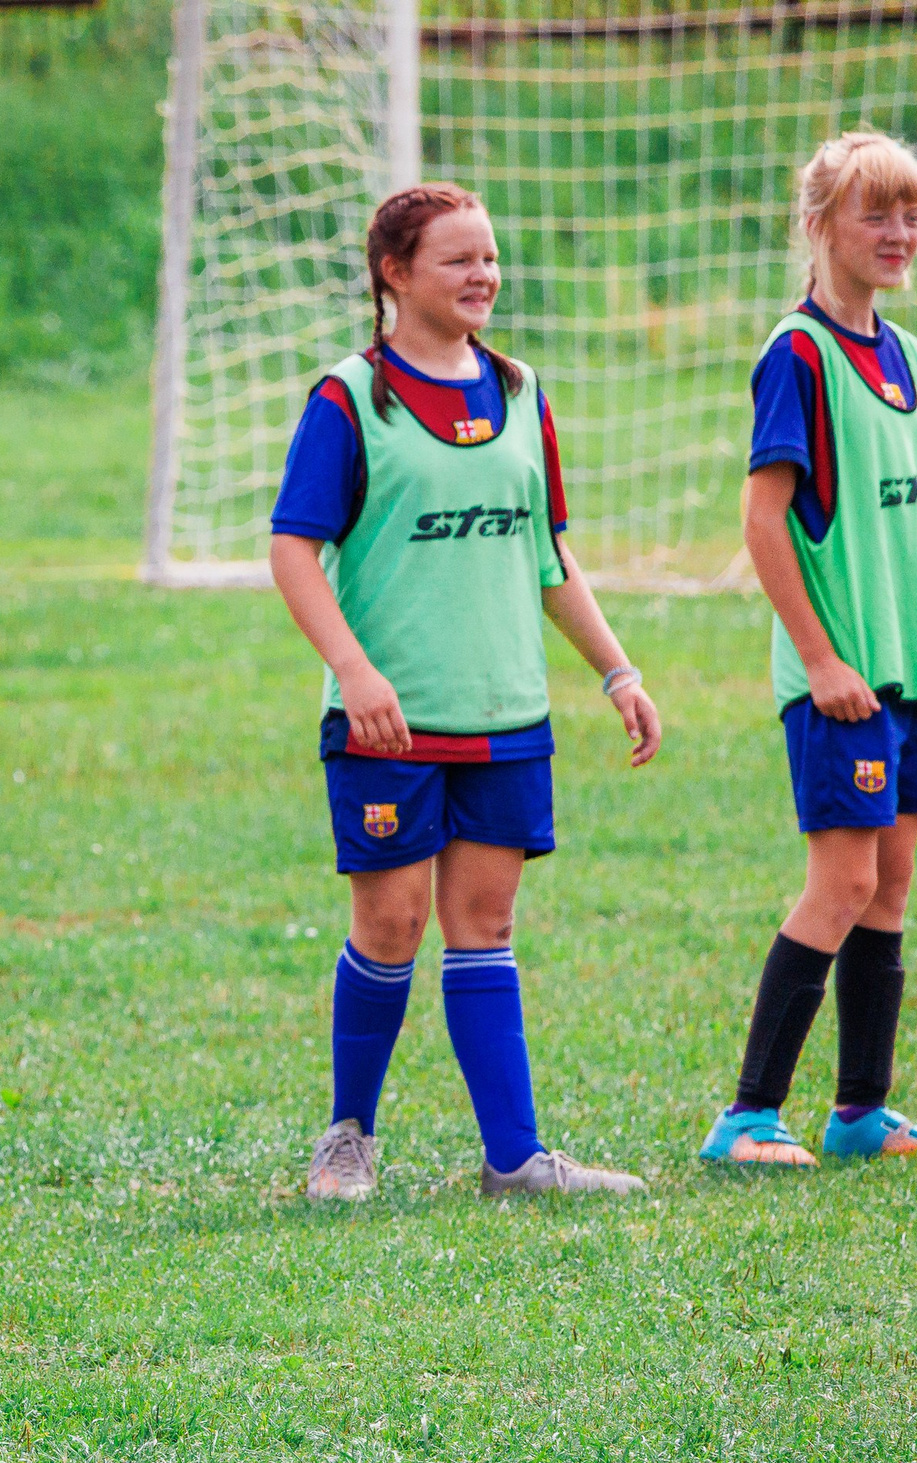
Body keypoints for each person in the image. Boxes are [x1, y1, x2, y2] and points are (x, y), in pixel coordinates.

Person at [269, 182, 664, 1203]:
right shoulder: (349, 399)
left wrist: (616, 670)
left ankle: (515, 1159)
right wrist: (354, 670)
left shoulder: (521, 392)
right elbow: (292, 550)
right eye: (458, 259)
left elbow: (549, 558)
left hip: (506, 717)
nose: (483, 274)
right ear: (394, 273)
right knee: (392, 925)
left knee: (484, 926)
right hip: (388, 724)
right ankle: (346, 1140)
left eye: (488, 256)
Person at [700, 132, 917, 1167]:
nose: (900, 233)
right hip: (843, 679)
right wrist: (821, 660)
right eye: (877, 213)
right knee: (842, 884)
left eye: (912, 214)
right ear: (819, 224)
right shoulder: (798, 355)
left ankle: (861, 1115)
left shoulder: (910, 356)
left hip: (912, 675)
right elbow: (763, 522)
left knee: (891, 884)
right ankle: (746, 1119)